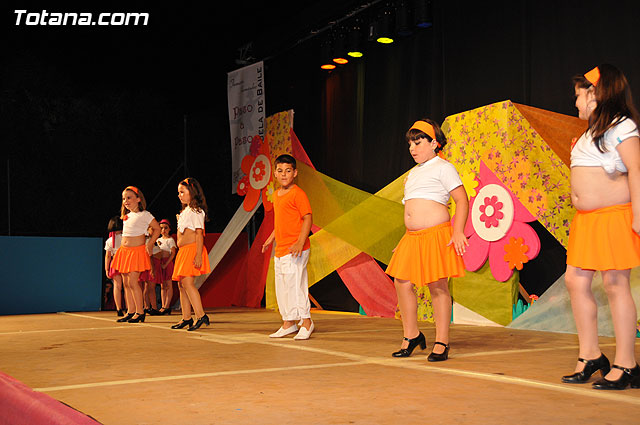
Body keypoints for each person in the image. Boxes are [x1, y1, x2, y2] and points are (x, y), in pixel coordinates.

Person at [562, 64, 640, 390]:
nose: (575, 102)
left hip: (613, 216)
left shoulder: (621, 126)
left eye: (578, 95)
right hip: (587, 220)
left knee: (615, 284)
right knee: (575, 280)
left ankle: (627, 363)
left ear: (595, 94)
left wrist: (638, 215)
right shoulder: (588, 133)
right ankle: (590, 355)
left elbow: (636, 170)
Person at [385, 119, 468, 361]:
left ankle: (442, 341)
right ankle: (411, 335)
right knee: (402, 282)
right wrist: (405, 237)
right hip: (412, 237)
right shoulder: (412, 174)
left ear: (434, 143)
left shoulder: (444, 167)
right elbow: (412, 209)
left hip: (436, 234)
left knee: (437, 286)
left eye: (418, 142)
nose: (412, 148)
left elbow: (462, 200)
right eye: (410, 144)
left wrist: (458, 231)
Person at [262, 154, 314, 340]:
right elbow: (281, 222)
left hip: (296, 248)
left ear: (295, 173)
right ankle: (288, 322)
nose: (284, 174)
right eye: (280, 171)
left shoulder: (298, 194)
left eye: (288, 171)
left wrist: (300, 241)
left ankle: (306, 322)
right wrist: (271, 238)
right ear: (275, 174)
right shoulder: (276, 195)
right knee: (283, 287)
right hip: (281, 249)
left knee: (296, 285)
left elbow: (307, 217)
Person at [111, 186, 161, 323]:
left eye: (129, 198)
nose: (125, 201)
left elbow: (157, 229)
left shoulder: (144, 214)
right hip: (124, 251)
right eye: (123, 199)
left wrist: (150, 244)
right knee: (126, 283)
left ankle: (140, 312)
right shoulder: (127, 216)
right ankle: (131, 311)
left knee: (133, 282)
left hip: (136, 252)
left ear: (138, 199)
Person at [171, 177, 211, 331]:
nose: (179, 195)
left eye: (182, 192)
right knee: (181, 284)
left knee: (188, 283)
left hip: (192, 249)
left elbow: (199, 234)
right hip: (184, 251)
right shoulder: (186, 211)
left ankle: (201, 315)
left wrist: (198, 254)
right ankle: (186, 317)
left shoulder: (196, 211)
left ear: (192, 192)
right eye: (178, 192)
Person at [104, 215, 128, 316]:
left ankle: (119, 309)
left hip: (115, 262)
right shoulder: (126, 238)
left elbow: (107, 256)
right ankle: (129, 308)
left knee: (117, 286)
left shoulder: (110, 240)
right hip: (126, 262)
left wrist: (106, 269)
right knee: (127, 286)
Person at [156, 219, 177, 314]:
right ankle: (163, 306)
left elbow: (173, 253)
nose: (163, 230)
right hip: (160, 263)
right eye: (161, 228)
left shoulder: (170, 240)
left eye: (166, 228)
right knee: (162, 286)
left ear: (169, 229)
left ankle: (167, 306)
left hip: (167, 263)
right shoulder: (158, 240)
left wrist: (166, 264)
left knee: (168, 285)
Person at [141, 225, 162, 315]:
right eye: (152, 229)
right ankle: (153, 307)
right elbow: (149, 256)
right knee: (151, 287)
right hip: (152, 264)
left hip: (154, 264)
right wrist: (152, 269)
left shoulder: (152, 240)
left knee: (148, 287)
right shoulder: (148, 241)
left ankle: (147, 307)